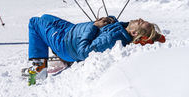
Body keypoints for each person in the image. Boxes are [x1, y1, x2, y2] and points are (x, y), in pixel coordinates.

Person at [27, 14, 165, 79]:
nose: (140, 19)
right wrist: (109, 19)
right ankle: (57, 57)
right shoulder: (124, 29)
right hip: (71, 31)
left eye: (141, 23)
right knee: (45, 17)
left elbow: (83, 52)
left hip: (65, 43)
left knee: (34, 22)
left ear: (134, 32)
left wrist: (94, 26)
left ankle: (38, 71)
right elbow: (113, 26)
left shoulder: (113, 39)